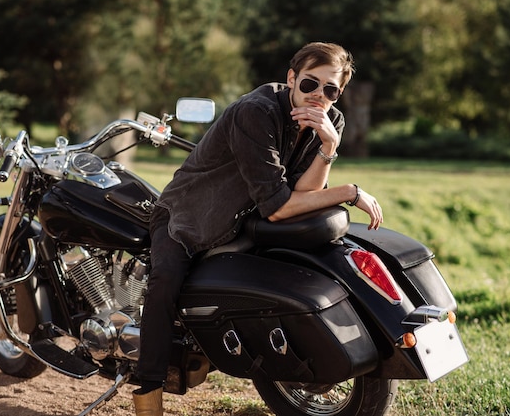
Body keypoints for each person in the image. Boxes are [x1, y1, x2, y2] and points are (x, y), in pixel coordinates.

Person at [132, 42, 383, 416]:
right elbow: (280, 206)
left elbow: (302, 193)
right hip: (191, 217)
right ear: (291, 78)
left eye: (330, 90)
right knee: (164, 281)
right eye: (310, 84)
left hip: (247, 222)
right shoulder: (256, 112)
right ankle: (149, 393)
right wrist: (347, 193)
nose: (318, 96)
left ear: (339, 92)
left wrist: (328, 146)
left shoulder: (331, 123)